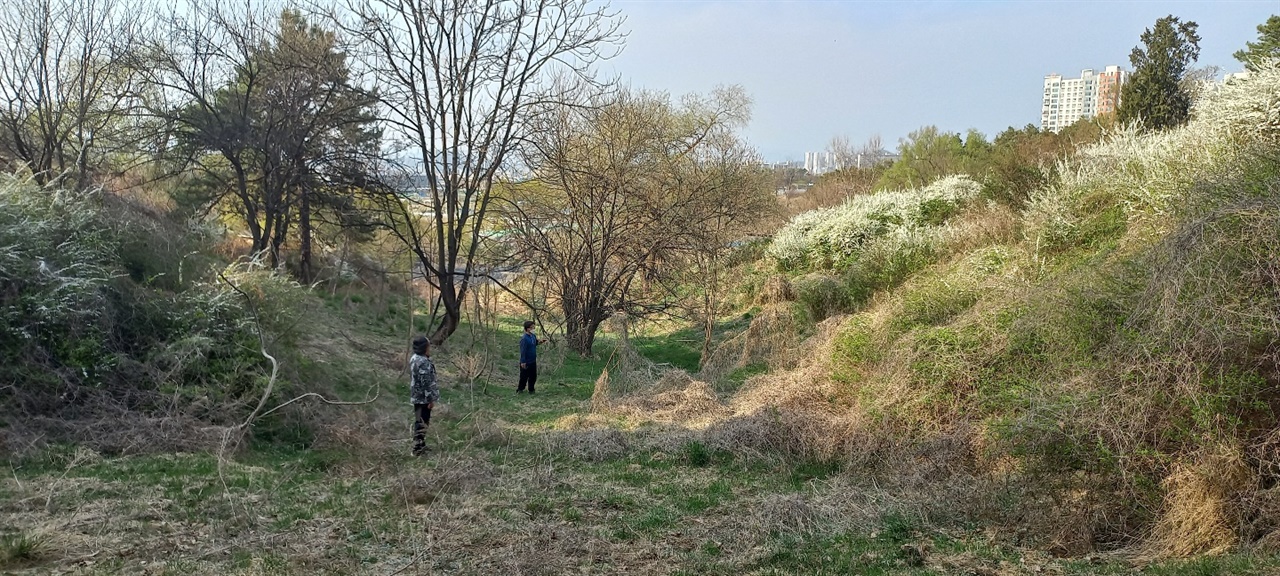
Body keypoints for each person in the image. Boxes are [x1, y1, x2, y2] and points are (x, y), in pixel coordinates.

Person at [408, 336, 439, 456]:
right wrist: (430, 399)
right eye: (428, 345)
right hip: (423, 398)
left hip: (417, 396)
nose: (430, 347)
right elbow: (426, 382)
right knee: (422, 422)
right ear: (425, 347)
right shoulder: (423, 362)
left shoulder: (414, 358)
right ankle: (417, 448)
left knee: (420, 420)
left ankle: (421, 444)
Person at [517, 320, 547, 394]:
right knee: (524, 377)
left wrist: (541, 342)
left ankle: (531, 390)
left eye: (534, 327)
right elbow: (523, 351)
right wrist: (523, 361)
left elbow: (534, 343)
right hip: (526, 361)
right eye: (532, 327)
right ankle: (520, 389)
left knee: (533, 376)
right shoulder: (524, 339)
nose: (534, 329)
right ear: (528, 329)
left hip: (533, 360)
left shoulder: (533, 336)